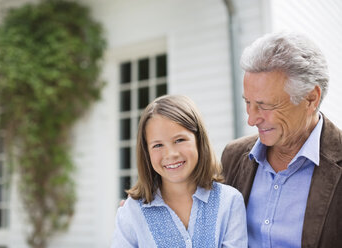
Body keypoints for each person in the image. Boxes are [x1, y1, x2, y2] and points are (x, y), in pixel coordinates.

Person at [221, 31, 342, 248]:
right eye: (248, 102)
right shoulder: (232, 156)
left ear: (311, 99)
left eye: (265, 105)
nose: (251, 119)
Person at [112, 95, 247, 247]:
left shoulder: (229, 201)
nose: (171, 154)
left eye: (179, 140)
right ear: (146, 152)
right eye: (157, 145)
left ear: (198, 140)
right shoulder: (132, 211)